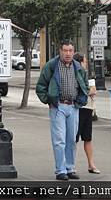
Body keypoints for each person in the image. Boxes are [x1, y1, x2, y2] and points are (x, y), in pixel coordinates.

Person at [36, 40, 89, 180]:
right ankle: (60, 170)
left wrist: (81, 100)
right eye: (65, 50)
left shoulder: (78, 67)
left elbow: (85, 85)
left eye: (70, 50)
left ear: (73, 51)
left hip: (73, 107)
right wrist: (49, 100)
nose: (68, 53)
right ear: (60, 51)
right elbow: (41, 86)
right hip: (58, 106)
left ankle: (70, 168)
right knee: (59, 140)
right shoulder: (52, 66)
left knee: (71, 139)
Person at [73, 53, 100, 174]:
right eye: (84, 61)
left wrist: (86, 91)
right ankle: (70, 165)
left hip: (88, 110)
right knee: (74, 139)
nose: (86, 63)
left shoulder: (88, 75)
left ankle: (91, 164)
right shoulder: (73, 75)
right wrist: (86, 91)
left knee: (88, 138)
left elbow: (93, 90)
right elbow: (79, 91)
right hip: (77, 109)